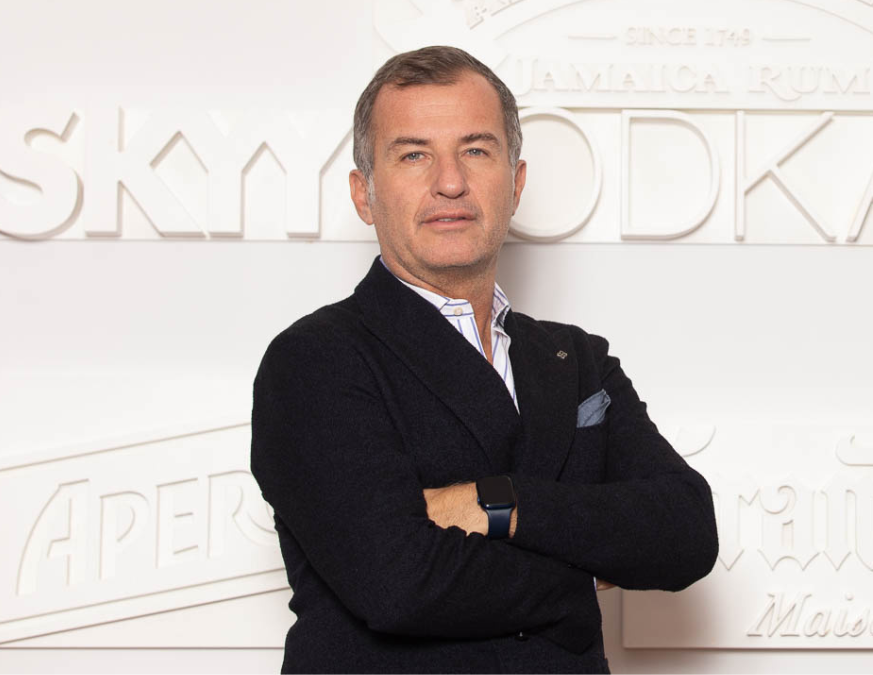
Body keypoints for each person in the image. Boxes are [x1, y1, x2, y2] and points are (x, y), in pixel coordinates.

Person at [250, 45, 718, 674]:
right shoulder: (315, 360)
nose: (450, 182)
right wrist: (585, 573)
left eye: (475, 150)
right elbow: (399, 583)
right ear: (364, 194)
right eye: (414, 154)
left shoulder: (577, 360)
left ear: (515, 183)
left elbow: (687, 531)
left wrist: (498, 501)